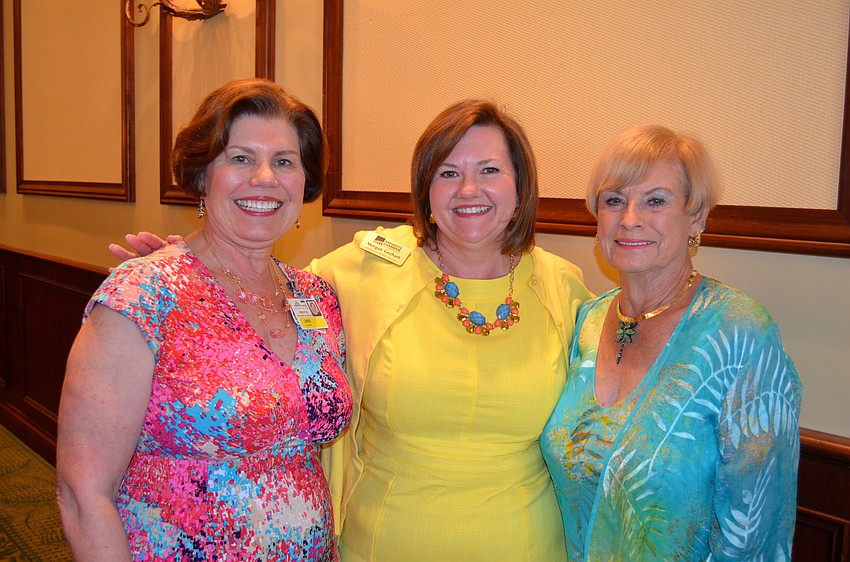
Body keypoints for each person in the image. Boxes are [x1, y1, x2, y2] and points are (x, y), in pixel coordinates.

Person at [111, 99, 592, 560]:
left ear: (520, 185)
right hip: (382, 542)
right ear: (425, 190)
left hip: (527, 545)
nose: (469, 189)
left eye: (489, 170)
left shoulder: (563, 288)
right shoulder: (362, 271)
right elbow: (256, 296)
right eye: (448, 173)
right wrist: (190, 272)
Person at [56, 79, 352, 560]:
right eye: (241, 158)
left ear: (305, 182)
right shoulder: (145, 293)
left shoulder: (316, 296)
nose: (265, 178)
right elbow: (81, 495)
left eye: (284, 161)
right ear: (202, 175)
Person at [540, 124, 802, 560]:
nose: (629, 219)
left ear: (697, 216)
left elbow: (756, 534)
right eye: (614, 200)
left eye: (655, 201)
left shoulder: (740, 334)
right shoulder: (588, 319)